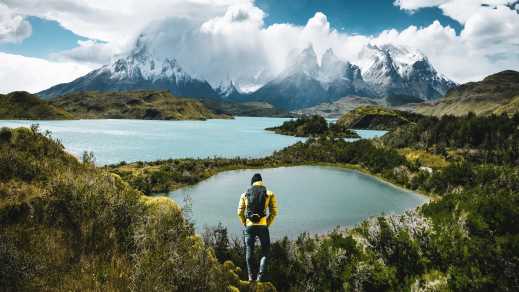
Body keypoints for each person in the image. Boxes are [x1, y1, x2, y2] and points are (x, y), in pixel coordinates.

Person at [237, 173, 278, 282]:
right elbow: (274, 212)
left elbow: (239, 212)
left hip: (249, 226)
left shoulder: (245, 194)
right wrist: (267, 223)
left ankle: (250, 277)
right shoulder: (269, 194)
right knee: (265, 251)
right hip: (263, 226)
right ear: (261, 181)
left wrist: (245, 223)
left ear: (252, 183)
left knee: (249, 250)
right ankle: (260, 277)